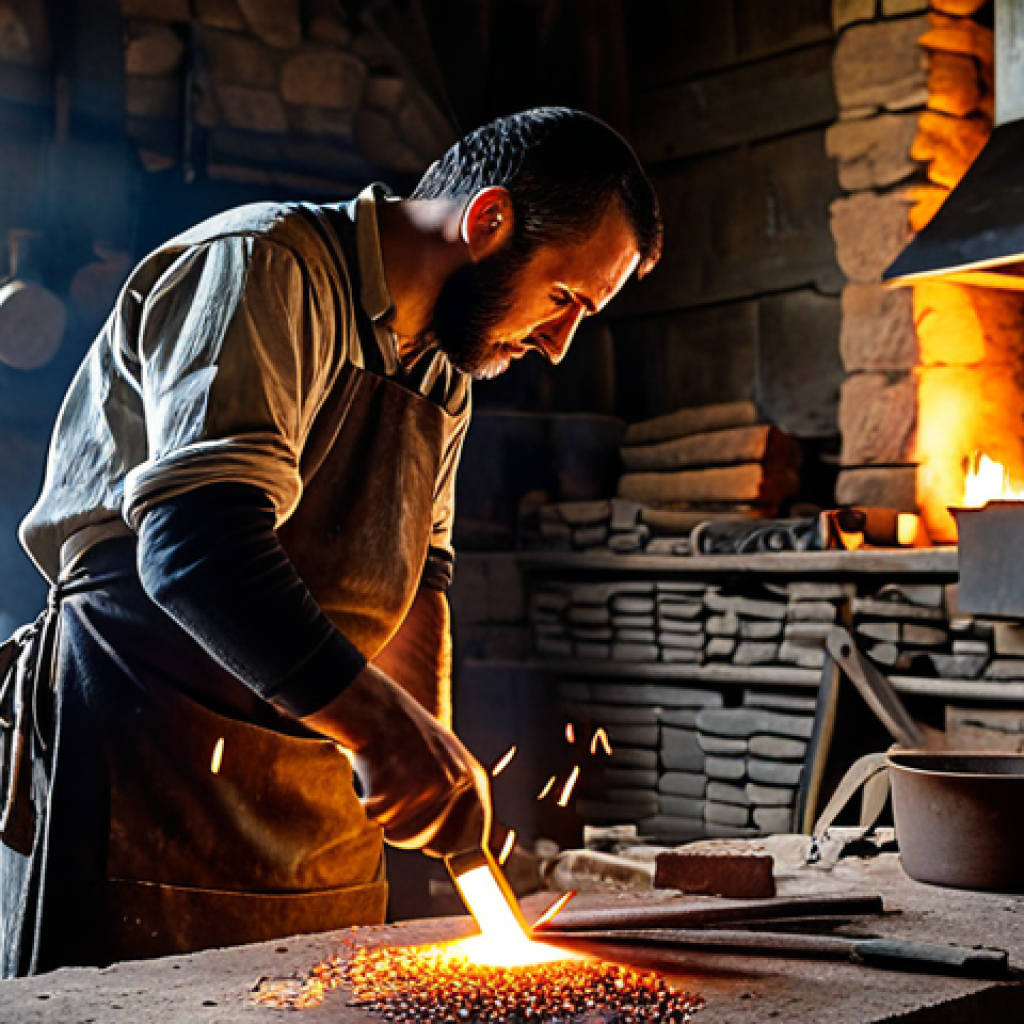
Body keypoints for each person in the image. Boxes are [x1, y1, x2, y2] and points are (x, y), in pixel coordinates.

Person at [0, 107, 662, 976]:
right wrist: (383, 730)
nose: (559, 343)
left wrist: (430, 746)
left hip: (317, 787)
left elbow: (419, 578)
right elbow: (198, 546)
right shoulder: (262, 267)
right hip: (145, 749)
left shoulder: (442, 374)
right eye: (565, 298)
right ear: (488, 220)